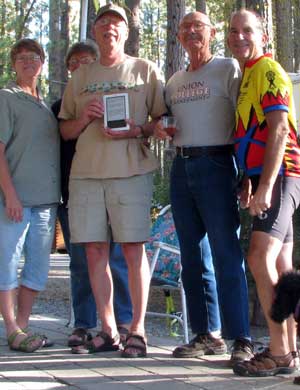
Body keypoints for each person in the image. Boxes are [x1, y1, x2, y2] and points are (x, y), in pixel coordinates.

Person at [59, 3, 166, 358]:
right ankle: (107, 329)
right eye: (103, 23)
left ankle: (135, 330)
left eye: (116, 23)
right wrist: (85, 119)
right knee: (94, 251)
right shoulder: (81, 76)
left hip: (130, 172)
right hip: (86, 175)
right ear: (95, 32)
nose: (109, 28)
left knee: (134, 250)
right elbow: (64, 129)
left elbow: (162, 122)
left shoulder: (144, 70)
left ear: (125, 32)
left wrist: (137, 129)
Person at [154, 11, 252, 364]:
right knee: (192, 257)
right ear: (178, 37)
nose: (191, 31)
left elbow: (247, 119)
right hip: (181, 166)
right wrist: (158, 129)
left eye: (198, 26)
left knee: (227, 254)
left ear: (212, 33)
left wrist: (248, 172)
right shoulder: (174, 80)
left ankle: (241, 337)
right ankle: (204, 334)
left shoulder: (228, 69)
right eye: (185, 27)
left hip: (217, 163)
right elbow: (161, 121)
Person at [227, 9, 300, 377]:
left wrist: (267, 186)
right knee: (282, 270)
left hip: (283, 175)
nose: (239, 36)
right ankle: (288, 350)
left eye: (248, 31)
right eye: (233, 31)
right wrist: (250, 180)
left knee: (258, 258)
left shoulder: (268, 71)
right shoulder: (249, 74)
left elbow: (278, 132)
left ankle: (279, 352)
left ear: (264, 36)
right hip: (270, 176)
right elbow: (253, 135)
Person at [51, 41, 133, 352]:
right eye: (75, 64)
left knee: (118, 258)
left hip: (112, 188)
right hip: (73, 195)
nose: (80, 68)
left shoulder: (115, 102)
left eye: (87, 62)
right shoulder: (59, 108)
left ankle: (122, 323)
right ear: (69, 70)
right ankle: (84, 324)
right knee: (82, 263)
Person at [0, 38, 60, 352]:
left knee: (38, 266)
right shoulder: (6, 98)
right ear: (13, 64)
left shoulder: (44, 104)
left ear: (42, 63)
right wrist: (10, 195)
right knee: (7, 262)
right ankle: (10, 327)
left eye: (33, 56)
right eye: (21, 57)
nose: (28, 62)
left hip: (46, 200)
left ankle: (22, 327)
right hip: (15, 199)